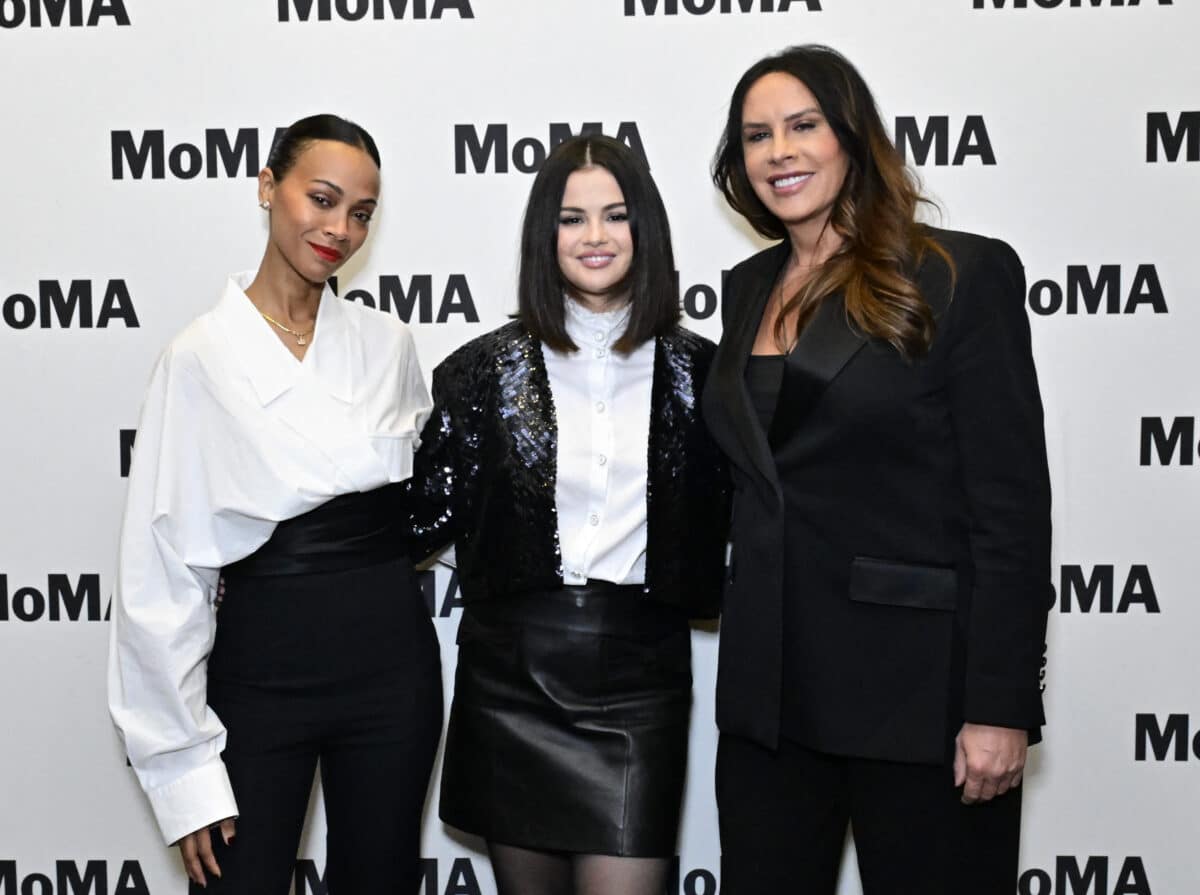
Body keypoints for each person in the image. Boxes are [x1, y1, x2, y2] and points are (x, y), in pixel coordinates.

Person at [702, 45, 1052, 894]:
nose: (778, 151)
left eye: (802, 126)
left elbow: (1010, 508)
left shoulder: (957, 273)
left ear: (852, 137)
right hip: (768, 702)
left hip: (918, 696)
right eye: (756, 136)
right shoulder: (747, 286)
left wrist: (1000, 703)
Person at [108, 114, 441, 894]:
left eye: (361, 212)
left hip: (393, 667)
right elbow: (162, 566)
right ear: (266, 186)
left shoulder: (388, 343)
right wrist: (181, 768)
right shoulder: (197, 358)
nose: (339, 229)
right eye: (321, 199)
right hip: (259, 673)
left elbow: (425, 498)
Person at [404, 134, 729, 895]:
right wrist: (262, 563)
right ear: (541, 235)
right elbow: (410, 520)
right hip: (511, 677)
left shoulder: (706, 371)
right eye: (571, 217)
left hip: (640, 680)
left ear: (645, 230)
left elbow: (767, 512)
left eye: (616, 216)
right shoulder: (480, 370)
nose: (594, 236)